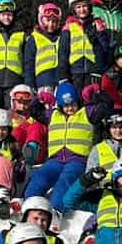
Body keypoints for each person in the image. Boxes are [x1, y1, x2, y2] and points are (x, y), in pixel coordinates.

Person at [24, 80, 93, 215]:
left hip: (77, 160)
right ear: (60, 106)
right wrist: (39, 98)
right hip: (55, 160)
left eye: (73, 104)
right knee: (40, 176)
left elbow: (105, 107)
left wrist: (97, 93)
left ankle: (56, 212)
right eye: (65, 106)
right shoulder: (52, 115)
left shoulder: (87, 114)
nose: (70, 108)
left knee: (65, 180)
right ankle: (29, 204)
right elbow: (33, 110)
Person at [63, 108, 122, 213]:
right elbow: (89, 174)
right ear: (108, 129)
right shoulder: (98, 149)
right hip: (104, 193)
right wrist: (93, 177)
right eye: (114, 127)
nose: (118, 131)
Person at [23, 1, 71, 92]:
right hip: (43, 80)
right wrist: (29, 85)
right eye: (48, 20)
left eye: (54, 21)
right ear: (41, 20)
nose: (51, 24)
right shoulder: (34, 38)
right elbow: (29, 64)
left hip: (61, 78)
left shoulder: (62, 36)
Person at [64, 0, 103, 88]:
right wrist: (63, 75)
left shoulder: (96, 24)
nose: (82, 10)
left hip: (92, 71)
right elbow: (63, 52)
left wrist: (98, 70)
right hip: (75, 71)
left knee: (92, 100)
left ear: (90, 7)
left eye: (85, 6)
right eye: (78, 7)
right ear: (73, 9)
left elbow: (103, 49)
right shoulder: (69, 27)